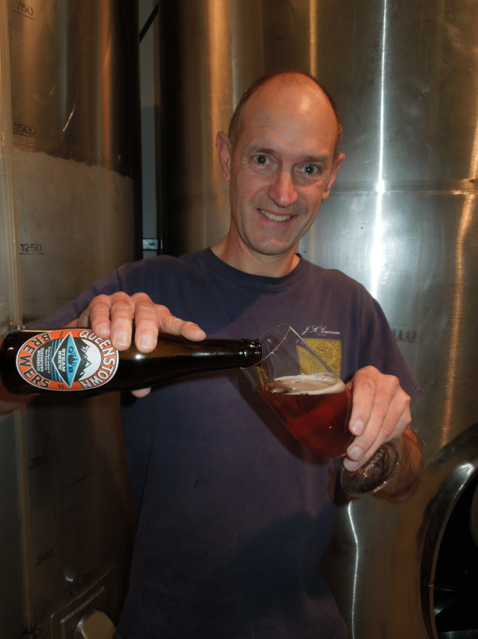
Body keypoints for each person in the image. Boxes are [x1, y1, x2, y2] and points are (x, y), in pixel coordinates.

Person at [1, 72, 423, 638]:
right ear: (226, 157)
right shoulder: (145, 292)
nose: (283, 193)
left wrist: (385, 453)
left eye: (309, 168)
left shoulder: (348, 305)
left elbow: (408, 477)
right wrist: (76, 336)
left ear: (332, 177)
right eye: (262, 159)